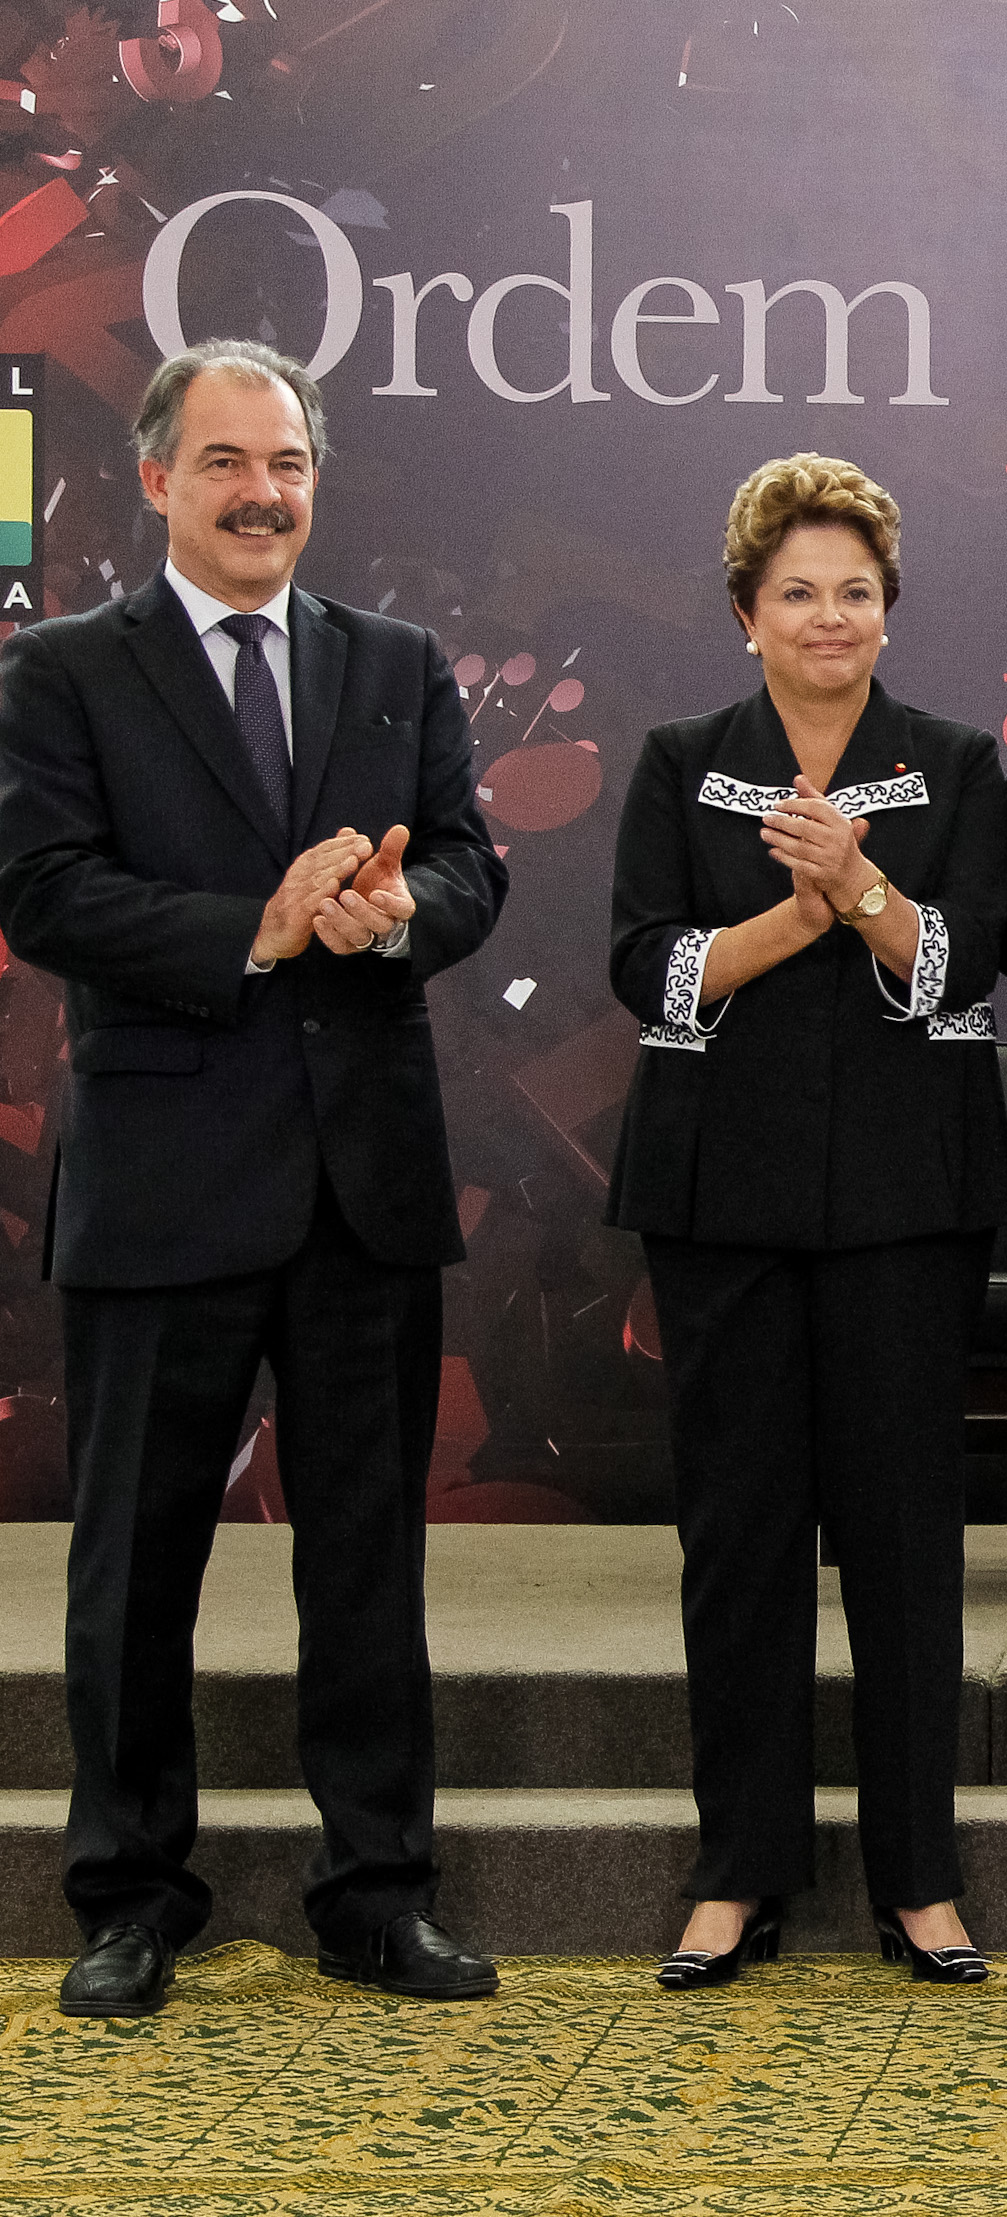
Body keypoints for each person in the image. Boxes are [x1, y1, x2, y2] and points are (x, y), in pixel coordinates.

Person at [0, 339, 508, 2020]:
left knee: (363, 1558)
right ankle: (134, 1896)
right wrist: (260, 930)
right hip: (160, 1174)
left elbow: (468, 867)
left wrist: (401, 913)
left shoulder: (395, 659)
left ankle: (377, 1892)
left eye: (284, 463)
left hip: (360, 1175)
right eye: (224, 463)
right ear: (155, 480)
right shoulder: (65, 670)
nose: (261, 493)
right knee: (135, 1559)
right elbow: (48, 894)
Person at [605, 454, 1007, 1988]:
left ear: (889, 613)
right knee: (740, 1538)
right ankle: (738, 1870)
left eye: (855, 591)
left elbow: (963, 968)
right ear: (744, 613)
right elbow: (644, 970)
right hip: (721, 1199)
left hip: (911, 1197)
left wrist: (863, 887)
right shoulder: (677, 761)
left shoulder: (961, 765)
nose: (827, 615)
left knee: (907, 1540)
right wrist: (799, 910)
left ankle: (920, 1874)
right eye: (797, 592)